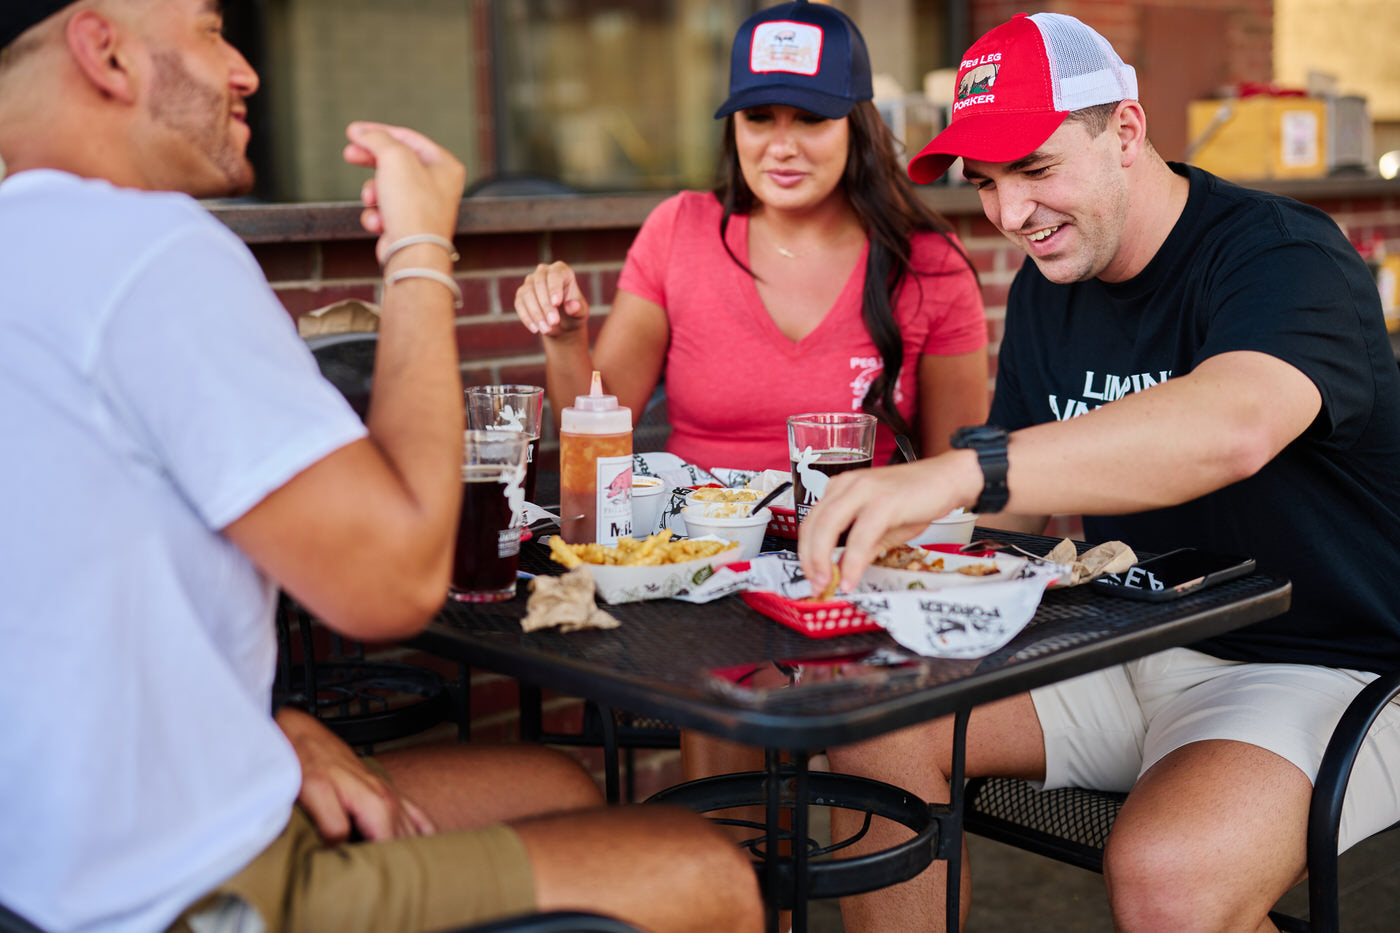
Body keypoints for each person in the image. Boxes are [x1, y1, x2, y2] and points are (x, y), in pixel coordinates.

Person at [0, 3, 764, 933]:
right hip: (177, 895)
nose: (244, 70)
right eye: (208, 29)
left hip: (43, 867)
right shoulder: (151, 249)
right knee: (711, 871)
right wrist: (418, 252)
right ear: (104, 49)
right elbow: (394, 585)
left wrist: (279, 727)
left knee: (555, 780)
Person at [798, 11, 1400, 933]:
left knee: (1167, 876)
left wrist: (959, 471)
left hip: (1317, 660)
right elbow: (1020, 520)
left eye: (1035, 169)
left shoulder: (1282, 254)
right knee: (862, 716)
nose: (1007, 215)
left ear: (1126, 129)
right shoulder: (1053, 284)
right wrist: (876, 566)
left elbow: (1232, 424)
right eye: (987, 182)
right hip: (1126, 638)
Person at [513, 0, 989, 473]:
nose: (781, 147)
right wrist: (565, 339)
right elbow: (596, 441)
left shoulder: (929, 261)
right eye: (759, 118)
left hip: (856, 544)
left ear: (857, 128)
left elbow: (956, 477)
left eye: (811, 118)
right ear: (733, 128)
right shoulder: (678, 230)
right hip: (694, 542)